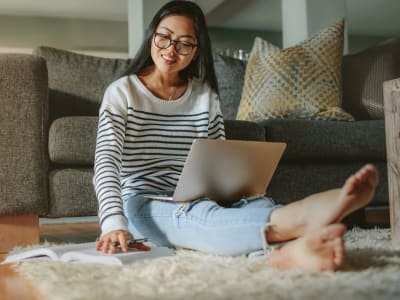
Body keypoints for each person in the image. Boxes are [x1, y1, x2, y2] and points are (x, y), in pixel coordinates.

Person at [94, 0, 378, 271]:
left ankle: (290, 250)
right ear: (152, 37)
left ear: (196, 50)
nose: (171, 49)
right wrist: (112, 222)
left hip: (194, 197)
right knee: (199, 219)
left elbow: (216, 160)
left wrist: (229, 192)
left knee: (253, 203)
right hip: (143, 202)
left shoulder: (205, 96)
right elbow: (106, 161)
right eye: (164, 37)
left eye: (184, 43)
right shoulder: (123, 92)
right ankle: (299, 217)